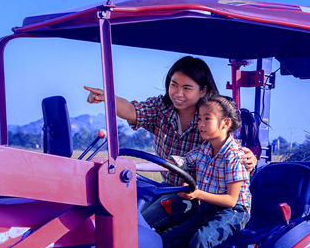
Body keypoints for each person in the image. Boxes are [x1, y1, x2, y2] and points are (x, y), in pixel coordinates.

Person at [84, 56, 256, 231]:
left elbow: (232, 154)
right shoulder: (161, 108)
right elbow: (131, 110)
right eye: (173, 85)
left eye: (187, 88)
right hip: (164, 187)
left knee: (136, 227)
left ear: (203, 90)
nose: (178, 93)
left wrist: (250, 160)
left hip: (191, 195)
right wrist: (107, 97)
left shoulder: (212, 121)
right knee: (117, 210)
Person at [163, 95, 251, 248]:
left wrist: (197, 194)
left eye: (207, 119)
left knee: (201, 239)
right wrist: (167, 163)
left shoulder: (234, 156)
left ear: (225, 123)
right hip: (208, 208)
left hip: (233, 212)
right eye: (199, 119)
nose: (200, 124)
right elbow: (184, 160)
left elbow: (231, 200)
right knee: (165, 241)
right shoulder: (205, 149)